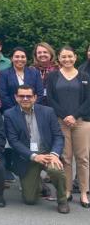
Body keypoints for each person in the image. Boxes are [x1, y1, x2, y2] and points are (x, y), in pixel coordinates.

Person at [4, 85, 69, 214]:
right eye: (22, 96)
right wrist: (34, 156)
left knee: (56, 170)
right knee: (30, 200)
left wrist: (55, 154)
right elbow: (14, 141)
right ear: (16, 97)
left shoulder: (48, 111)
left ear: (35, 97)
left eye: (29, 96)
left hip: (48, 154)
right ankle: (40, 185)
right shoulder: (9, 114)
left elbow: (58, 136)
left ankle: (62, 200)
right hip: (27, 157)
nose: (25, 98)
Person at [46, 46, 90, 207]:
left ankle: (84, 192)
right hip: (61, 121)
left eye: (70, 56)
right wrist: (65, 116)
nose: (67, 59)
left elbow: (88, 100)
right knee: (65, 158)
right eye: (63, 57)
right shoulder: (53, 76)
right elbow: (50, 98)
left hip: (82, 122)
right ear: (59, 58)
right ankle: (68, 190)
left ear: (75, 57)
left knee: (83, 158)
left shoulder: (85, 76)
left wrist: (74, 116)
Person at [0, 47, 44, 112]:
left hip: (33, 111)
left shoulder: (34, 73)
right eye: (17, 57)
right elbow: (3, 95)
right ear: (11, 59)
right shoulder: (4, 74)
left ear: (26, 59)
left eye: (23, 57)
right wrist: (16, 111)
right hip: (12, 111)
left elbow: (40, 93)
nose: (20, 59)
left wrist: (31, 108)